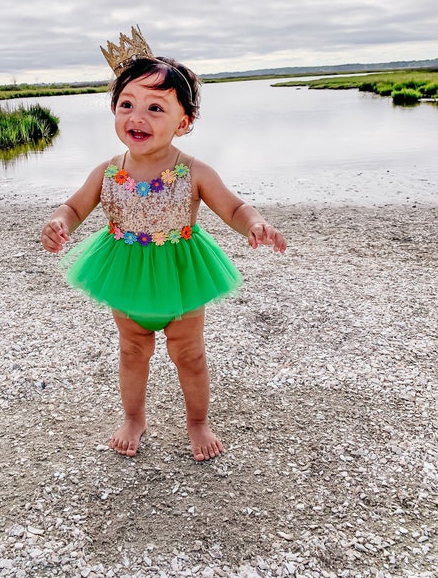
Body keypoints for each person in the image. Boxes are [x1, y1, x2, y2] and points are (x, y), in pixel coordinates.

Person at [41, 26, 286, 462]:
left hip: (181, 276)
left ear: (184, 122)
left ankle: (197, 421)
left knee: (189, 354)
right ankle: (134, 417)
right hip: (124, 275)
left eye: (156, 107)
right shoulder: (106, 171)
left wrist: (255, 222)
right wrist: (60, 222)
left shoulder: (194, 171)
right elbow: (75, 207)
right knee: (132, 351)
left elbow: (233, 207)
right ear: (114, 111)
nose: (138, 116)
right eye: (127, 104)